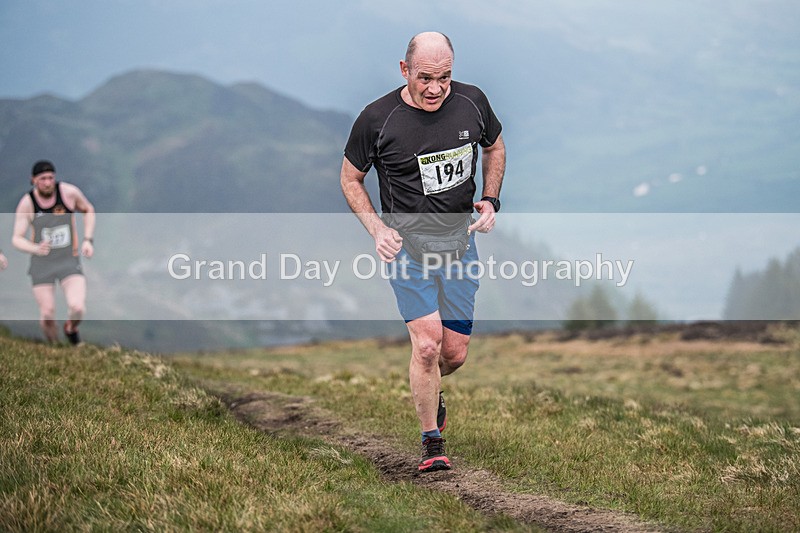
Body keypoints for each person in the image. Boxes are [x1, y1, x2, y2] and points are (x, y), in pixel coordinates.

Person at [341, 32, 506, 472]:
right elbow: (350, 179)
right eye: (426, 78)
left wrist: (490, 199)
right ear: (404, 70)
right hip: (407, 251)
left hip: (459, 247)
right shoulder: (376, 119)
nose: (436, 88)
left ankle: (431, 389)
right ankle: (431, 442)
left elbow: (494, 147)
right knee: (428, 346)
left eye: (446, 78)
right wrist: (376, 229)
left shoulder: (472, 103)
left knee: (454, 353)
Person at [12, 160, 95, 345]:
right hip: (42, 263)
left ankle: (71, 329)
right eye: (43, 179)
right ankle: (54, 347)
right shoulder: (28, 203)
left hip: (68, 260)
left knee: (77, 307)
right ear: (33, 180)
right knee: (47, 313)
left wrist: (88, 240)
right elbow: (16, 238)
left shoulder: (68, 193)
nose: (48, 183)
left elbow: (88, 209)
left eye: (51, 177)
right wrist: (35, 248)